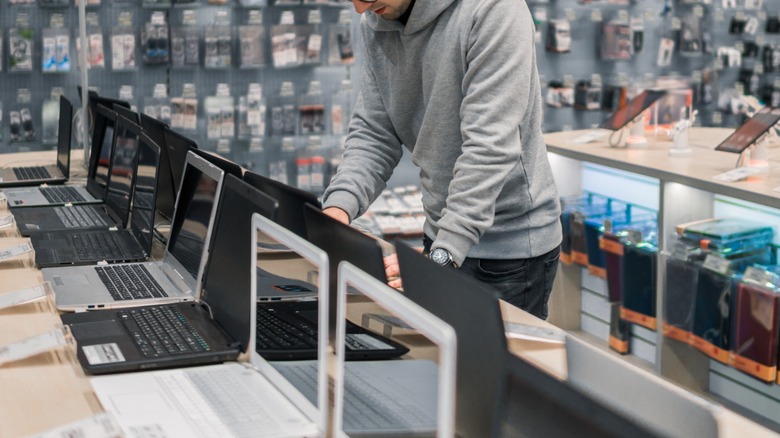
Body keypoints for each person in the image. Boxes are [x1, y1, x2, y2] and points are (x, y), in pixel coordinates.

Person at [322, 0, 562, 319]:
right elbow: (374, 131)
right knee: (437, 361)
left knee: (491, 369)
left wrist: (442, 257)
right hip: (441, 234)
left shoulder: (494, 9)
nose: (359, 8)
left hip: (507, 252)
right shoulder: (378, 21)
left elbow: (488, 148)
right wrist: (338, 207)